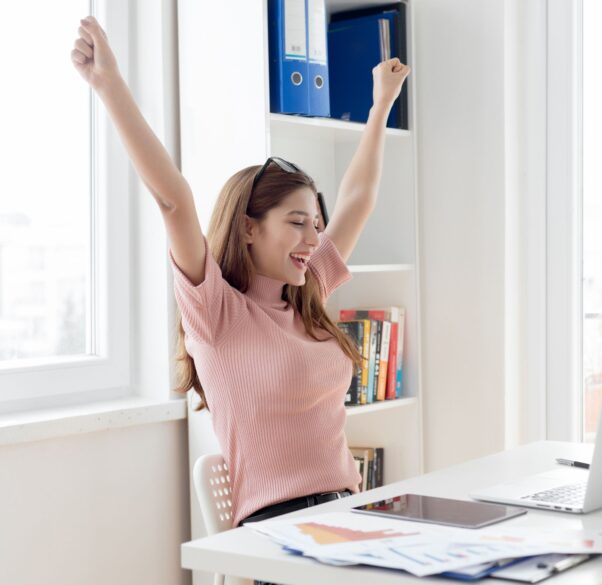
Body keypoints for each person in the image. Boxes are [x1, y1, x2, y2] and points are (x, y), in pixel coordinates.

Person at [72, 14, 410, 584]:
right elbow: (174, 201)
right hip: (279, 538)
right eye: (298, 223)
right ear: (249, 228)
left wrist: (380, 107)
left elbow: (359, 197)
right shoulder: (217, 312)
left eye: (317, 226)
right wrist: (109, 85)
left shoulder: (309, 292)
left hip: (349, 517)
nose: (313, 239)